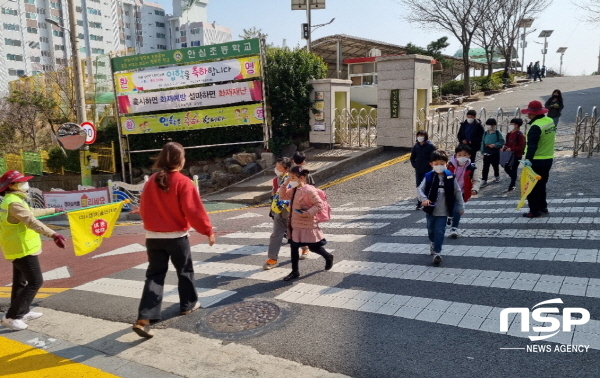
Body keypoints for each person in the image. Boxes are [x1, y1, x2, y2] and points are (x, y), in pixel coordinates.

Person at [133, 142, 216, 338]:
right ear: (180, 160)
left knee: (154, 275)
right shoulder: (183, 181)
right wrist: (208, 230)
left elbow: (144, 209)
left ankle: (144, 317)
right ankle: (187, 305)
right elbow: (194, 211)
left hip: (153, 237)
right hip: (176, 237)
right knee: (184, 271)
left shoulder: (151, 180)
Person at [0, 171, 66, 331]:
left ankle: (21, 312)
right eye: (21, 182)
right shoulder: (13, 203)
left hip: (19, 247)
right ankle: (11, 317)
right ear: (12, 185)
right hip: (22, 248)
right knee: (36, 281)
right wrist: (53, 234)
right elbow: (30, 221)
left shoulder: (14, 200)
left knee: (21, 282)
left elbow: (32, 213)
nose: (25, 184)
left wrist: (53, 209)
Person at [278, 166, 334, 281]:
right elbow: (282, 196)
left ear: (302, 178)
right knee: (293, 247)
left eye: (293, 177)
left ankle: (328, 256)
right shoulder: (293, 189)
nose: (290, 179)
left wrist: (307, 213)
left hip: (307, 224)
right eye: (289, 177)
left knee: (313, 247)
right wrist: (285, 183)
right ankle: (295, 271)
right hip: (294, 224)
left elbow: (319, 205)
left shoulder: (309, 190)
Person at [417, 150, 464, 264]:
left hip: (443, 211)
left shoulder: (450, 177)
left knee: (440, 231)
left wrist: (461, 207)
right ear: (431, 164)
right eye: (436, 163)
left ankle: (438, 252)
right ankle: (432, 242)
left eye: (442, 163)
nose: (439, 166)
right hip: (431, 211)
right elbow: (419, 189)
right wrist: (424, 199)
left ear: (446, 164)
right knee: (431, 230)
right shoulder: (428, 177)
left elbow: (457, 192)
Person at [521, 100, 556, 218]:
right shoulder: (549, 121)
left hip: (536, 160)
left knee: (532, 186)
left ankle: (534, 211)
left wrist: (528, 160)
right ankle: (543, 207)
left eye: (529, 113)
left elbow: (532, 145)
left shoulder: (535, 127)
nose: (528, 115)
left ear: (534, 114)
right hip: (548, 158)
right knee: (542, 184)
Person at [263, 157, 292, 270]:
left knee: (294, 234)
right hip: (278, 213)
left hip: (290, 212)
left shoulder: (293, 179)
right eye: (276, 167)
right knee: (276, 235)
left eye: (278, 167)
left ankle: (305, 247)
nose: (276, 169)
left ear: (286, 169)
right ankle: (272, 259)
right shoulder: (276, 180)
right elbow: (274, 194)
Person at [446, 145, 480, 238]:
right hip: (449, 191)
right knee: (449, 209)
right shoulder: (449, 165)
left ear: (469, 156)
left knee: (458, 209)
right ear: (456, 155)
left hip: (462, 192)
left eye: (464, 155)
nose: (461, 157)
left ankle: (454, 228)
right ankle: (449, 216)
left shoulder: (471, 168)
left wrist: (475, 189)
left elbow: (476, 180)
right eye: (459, 155)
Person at [292, 151, 314, 259]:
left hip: (294, 203)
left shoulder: (291, 173)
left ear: (293, 161)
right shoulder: (306, 173)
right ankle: (305, 248)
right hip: (305, 203)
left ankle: (305, 248)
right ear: (304, 161)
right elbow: (312, 188)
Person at [410, 130, 437, 210]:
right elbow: (412, 157)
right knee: (419, 186)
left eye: (422, 135)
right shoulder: (416, 146)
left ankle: (429, 201)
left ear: (425, 136)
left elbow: (435, 155)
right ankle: (419, 202)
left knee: (427, 185)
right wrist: (414, 165)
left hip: (428, 169)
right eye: (419, 135)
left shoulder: (430, 146)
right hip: (418, 169)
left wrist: (431, 163)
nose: (420, 137)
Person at [502, 118, 526, 191]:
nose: (510, 125)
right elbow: (507, 143)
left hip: (516, 155)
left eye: (512, 124)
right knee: (506, 167)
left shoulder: (520, 135)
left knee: (514, 168)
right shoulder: (509, 134)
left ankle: (512, 184)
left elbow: (521, 146)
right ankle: (514, 178)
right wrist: (504, 148)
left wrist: (512, 149)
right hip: (508, 154)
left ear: (516, 125)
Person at [480, 118, 505, 187]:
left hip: (494, 151)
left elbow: (502, 142)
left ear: (494, 125)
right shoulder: (485, 133)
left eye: (489, 125)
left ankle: (497, 176)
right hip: (486, 151)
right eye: (487, 124)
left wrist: (495, 145)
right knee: (485, 166)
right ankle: (484, 179)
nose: (488, 126)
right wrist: (482, 151)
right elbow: (482, 142)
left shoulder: (497, 133)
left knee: (495, 165)